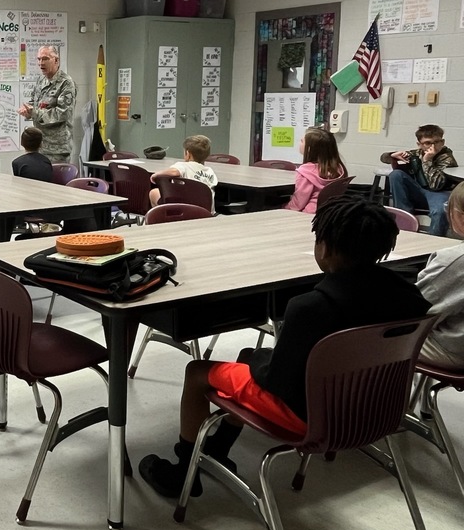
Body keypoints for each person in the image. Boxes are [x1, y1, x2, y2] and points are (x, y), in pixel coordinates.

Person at [138, 195, 430, 499]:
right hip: (372, 412)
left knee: (198, 371)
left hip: (310, 417)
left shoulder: (311, 308)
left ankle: (183, 473)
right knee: (248, 356)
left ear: (325, 248)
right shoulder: (410, 299)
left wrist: (262, 361)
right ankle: (218, 448)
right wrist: (258, 359)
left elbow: (277, 383)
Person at [415, 182, 464, 369]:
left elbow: (418, 309)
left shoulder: (454, 260)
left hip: (454, 351)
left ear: (459, 217)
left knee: (376, 342)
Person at [382, 124, 457, 236]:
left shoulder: (447, 158)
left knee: (439, 212)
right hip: (419, 190)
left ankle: (432, 243)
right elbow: (383, 158)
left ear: (442, 142)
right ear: (419, 145)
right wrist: (392, 155)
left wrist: (427, 161)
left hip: (439, 192)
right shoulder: (417, 153)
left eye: (436, 142)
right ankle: (405, 219)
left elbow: (435, 186)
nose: (433, 146)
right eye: (427, 143)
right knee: (396, 174)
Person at [18, 45, 76, 164]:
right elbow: (34, 103)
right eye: (39, 59)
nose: (41, 63)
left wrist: (34, 112)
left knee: (53, 182)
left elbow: (63, 113)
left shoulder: (66, 83)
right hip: (39, 146)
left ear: (56, 60)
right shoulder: (41, 80)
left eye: (45, 59)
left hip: (57, 149)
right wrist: (27, 110)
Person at [284, 127, 348, 214]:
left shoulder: (306, 171)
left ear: (309, 149)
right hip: (328, 215)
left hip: (308, 215)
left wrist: (283, 208)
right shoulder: (339, 169)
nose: (300, 143)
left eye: (302, 141)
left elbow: (298, 204)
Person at [148, 135, 218, 211]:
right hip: (205, 211)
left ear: (188, 154)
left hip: (184, 209)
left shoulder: (183, 166)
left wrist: (156, 174)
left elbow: (175, 172)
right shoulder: (210, 171)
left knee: (153, 193)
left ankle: (162, 221)